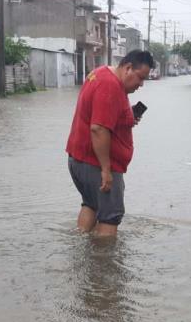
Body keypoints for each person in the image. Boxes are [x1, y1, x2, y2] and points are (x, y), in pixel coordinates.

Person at [66, 50, 155, 237]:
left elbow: (100, 114)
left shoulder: (100, 73)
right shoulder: (110, 86)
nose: (141, 84)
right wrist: (106, 170)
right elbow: (98, 128)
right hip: (95, 164)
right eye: (140, 78)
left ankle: (83, 249)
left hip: (79, 159)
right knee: (110, 217)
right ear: (128, 68)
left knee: (91, 205)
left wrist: (126, 115)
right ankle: (103, 264)